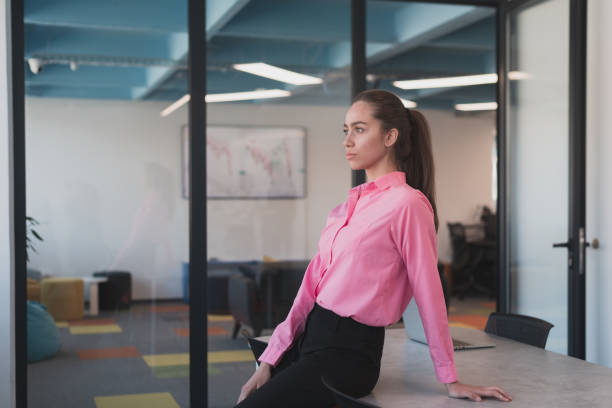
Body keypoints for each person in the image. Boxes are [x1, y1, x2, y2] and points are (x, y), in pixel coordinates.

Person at [235, 89, 512, 407]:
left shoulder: (408, 204)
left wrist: (450, 379)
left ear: (390, 136)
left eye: (359, 129)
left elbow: (429, 293)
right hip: (311, 339)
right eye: (346, 130)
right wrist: (271, 358)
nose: (347, 140)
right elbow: (308, 292)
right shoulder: (346, 209)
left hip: (348, 355)